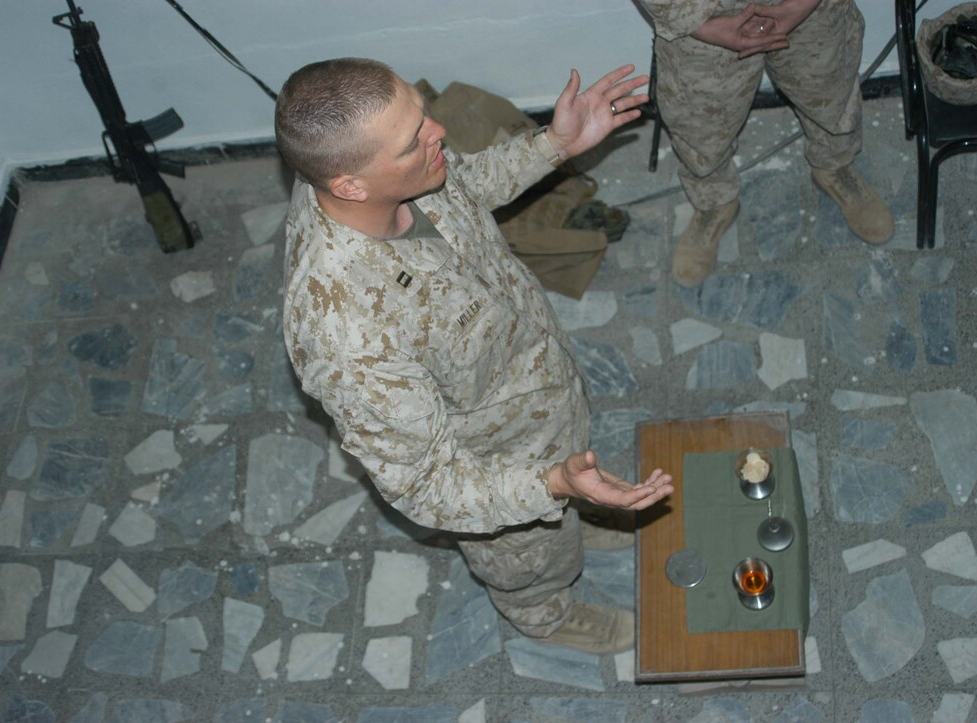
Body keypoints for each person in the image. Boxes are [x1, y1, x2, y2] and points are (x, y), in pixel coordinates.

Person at [275, 58, 674, 654]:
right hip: (497, 465)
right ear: (351, 187)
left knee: (565, 503)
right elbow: (428, 484)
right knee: (530, 559)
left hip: (537, 389)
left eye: (421, 112)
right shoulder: (345, 331)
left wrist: (554, 144)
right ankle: (544, 613)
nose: (438, 131)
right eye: (415, 139)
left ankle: (574, 512)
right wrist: (549, 485)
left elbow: (467, 185)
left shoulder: (403, 173)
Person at [640, 0, 895, 286]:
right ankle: (713, 201)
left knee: (828, 85)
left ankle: (834, 166)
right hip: (703, 11)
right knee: (701, 121)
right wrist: (699, 25)